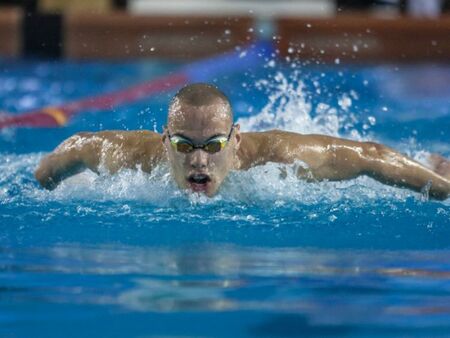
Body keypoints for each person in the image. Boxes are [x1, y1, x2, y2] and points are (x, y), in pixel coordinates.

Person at [35, 83, 450, 200]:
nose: (198, 161)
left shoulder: (277, 160)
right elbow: (75, 147)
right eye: (183, 146)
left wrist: (443, 188)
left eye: (213, 145)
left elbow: (369, 157)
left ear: (236, 140)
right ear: (164, 141)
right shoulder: (131, 159)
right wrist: (44, 181)